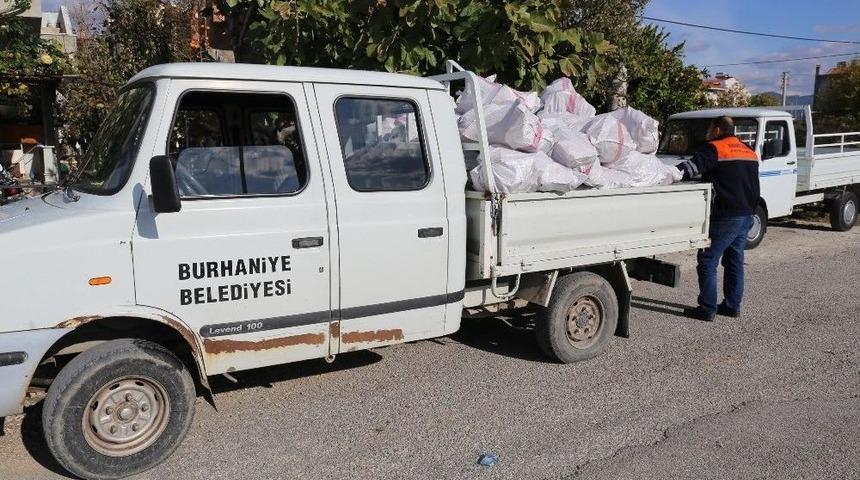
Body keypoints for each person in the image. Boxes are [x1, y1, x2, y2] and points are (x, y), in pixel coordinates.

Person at [676, 116, 760, 321]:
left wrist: (667, 173)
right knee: (735, 260)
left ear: (718, 129)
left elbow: (689, 170)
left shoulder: (715, 148)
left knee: (707, 259)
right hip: (747, 213)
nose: (708, 132)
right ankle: (732, 306)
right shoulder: (748, 151)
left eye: (711, 128)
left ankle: (707, 308)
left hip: (726, 215)